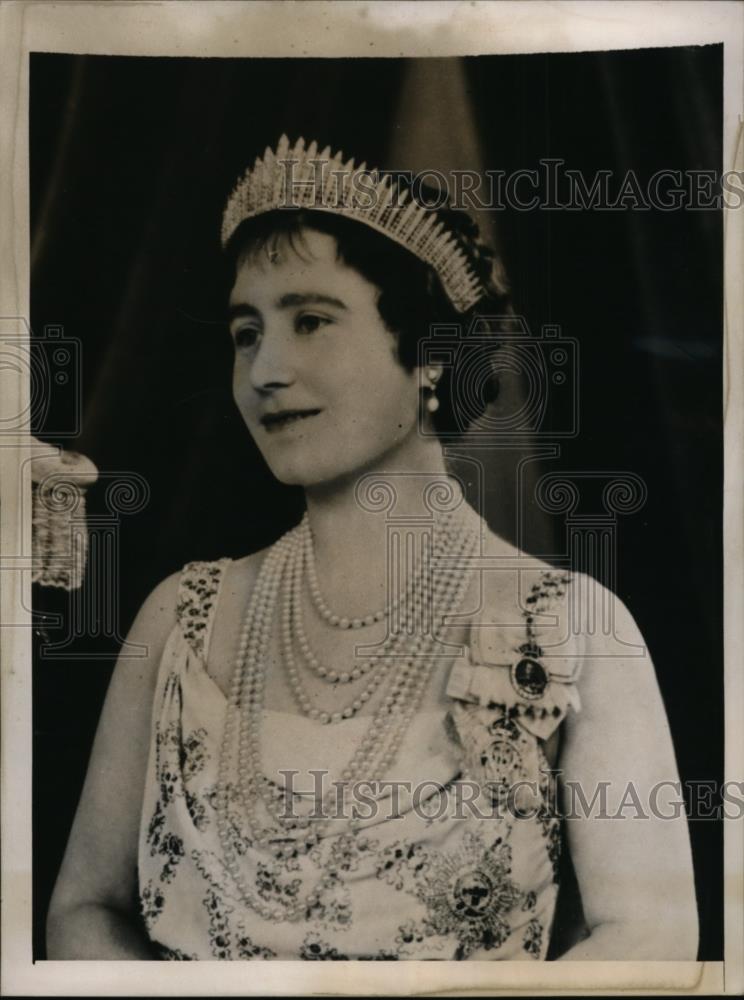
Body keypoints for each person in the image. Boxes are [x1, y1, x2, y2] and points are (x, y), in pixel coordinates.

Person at [46, 136, 698, 961]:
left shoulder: (571, 627)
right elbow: (82, 911)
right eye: (247, 332)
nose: (265, 371)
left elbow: (652, 939)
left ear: (430, 354)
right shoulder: (179, 620)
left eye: (312, 321)